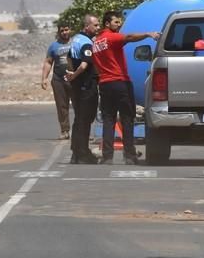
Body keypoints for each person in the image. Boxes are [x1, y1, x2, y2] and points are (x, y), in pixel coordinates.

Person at [91, 11, 160, 165]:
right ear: (107, 23)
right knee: (127, 119)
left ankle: (107, 156)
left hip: (104, 84)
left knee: (108, 120)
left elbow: (96, 66)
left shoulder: (96, 43)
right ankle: (129, 155)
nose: (119, 24)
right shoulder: (111, 37)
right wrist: (148, 34)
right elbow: (129, 38)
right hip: (120, 82)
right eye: (116, 22)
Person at [64, 14, 101, 164]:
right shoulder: (86, 43)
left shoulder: (75, 40)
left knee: (79, 119)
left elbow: (68, 58)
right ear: (87, 26)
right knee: (86, 119)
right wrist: (75, 75)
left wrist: (70, 73)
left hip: (77, 87)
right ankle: (83, 153)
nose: (98, 28)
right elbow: (85, 64)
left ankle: (76, 152)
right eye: (96, 25)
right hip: (86, 86)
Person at [41, 23, 73, 140]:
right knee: (61, 106)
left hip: (74, 79)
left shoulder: (76, 43)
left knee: (80, 106)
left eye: (66, 29)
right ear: (59, 32)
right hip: (58, 80)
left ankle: (82, 131)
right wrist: (44, 78)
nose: (64, 32)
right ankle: (65, 131)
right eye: (62, 30)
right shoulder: (54, 46)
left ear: (70, 30)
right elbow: (48, 62)